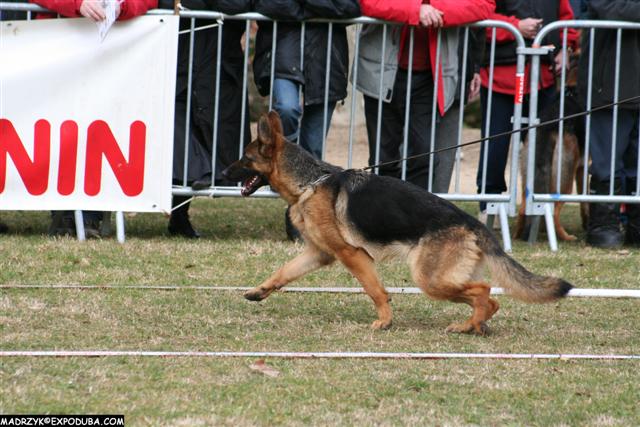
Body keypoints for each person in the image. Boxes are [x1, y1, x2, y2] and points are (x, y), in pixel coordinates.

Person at [30, 0, 156, 237]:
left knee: (100, 131)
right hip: (57, 51)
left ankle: (88, 215)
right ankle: (67, 213)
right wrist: (78, 3)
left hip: (112, 53)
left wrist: (124, 6)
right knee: (62, 131)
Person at [355, 0, 495, 193]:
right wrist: (415, 10)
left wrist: (435, 12)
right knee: (383, 157)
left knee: (422, 156)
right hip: (382, 74)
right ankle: (384, 218)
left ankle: (415, 219)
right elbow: (368, 3)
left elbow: (484, 5)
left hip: (429, 78)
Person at [252, 0, 360, 240]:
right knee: (286, 108)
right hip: (282, 51)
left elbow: (350, 8)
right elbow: (265, 5)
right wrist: (320, 7)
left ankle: (301, 216)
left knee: (313, 149)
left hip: (327, 60)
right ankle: (281, 166)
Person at [475, 0, 578, 223]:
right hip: (500, 78)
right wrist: (514, 27)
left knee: (542, 151)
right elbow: (480, 16)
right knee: (495, 147)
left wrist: (565, 48)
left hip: (542, 79)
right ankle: (488, 208)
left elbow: (566, 20)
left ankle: (537, 212)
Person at [159, 0, 252, 238]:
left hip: (220, 65)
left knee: (208, 135)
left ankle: (180, 215)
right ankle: (180, 208)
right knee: (182, 131)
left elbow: (238, 5)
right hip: (177, 60)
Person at [578, 0, 640, 248]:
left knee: (637, 164)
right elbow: (608, 7)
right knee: (606, 162)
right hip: (608, 83)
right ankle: (605, 224)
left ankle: (636, 226)